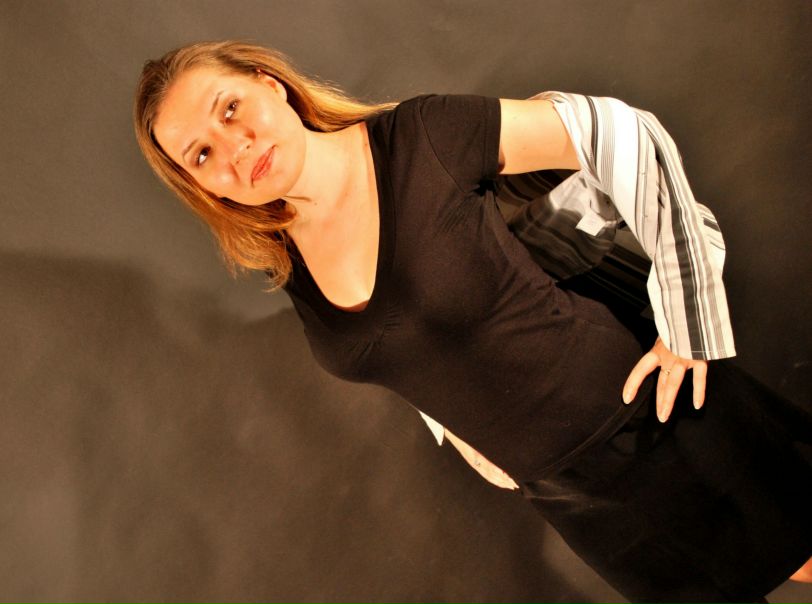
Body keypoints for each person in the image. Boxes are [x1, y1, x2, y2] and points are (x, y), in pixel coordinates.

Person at [133, 40, 812, 603]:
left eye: (230, 109)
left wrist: (688, 322)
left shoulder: (420, 138)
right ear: (201, 186)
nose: (233, 148)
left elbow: (617, 131)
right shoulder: (291, 263)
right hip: (569, 494)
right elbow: (407, 338)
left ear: (270, 83)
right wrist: (463, 436)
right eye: (201, 155)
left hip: (648, 415)